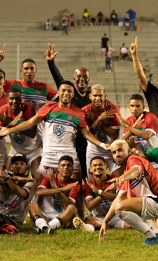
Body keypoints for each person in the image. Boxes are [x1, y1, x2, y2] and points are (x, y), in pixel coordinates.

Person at [0, 81, 107, 178]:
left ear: (73, 94)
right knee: (40, 182)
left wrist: (102, 144)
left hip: (69, 153)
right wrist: (9, 130)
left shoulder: (78, 113)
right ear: (58, 92)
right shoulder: (48, 108)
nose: (66, 93)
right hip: (50, 154)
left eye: (69, 91)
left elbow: (87, 133)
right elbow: (30, 123)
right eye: (63, 90)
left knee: (77, 184)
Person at [99, 140, 158, 246]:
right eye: (114, 152)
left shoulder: (133, 159)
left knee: (121, 209)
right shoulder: (126, 172)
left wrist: (120, 178)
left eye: (120, 150)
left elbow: (136, 170)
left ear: (129, 150)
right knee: (123, 207)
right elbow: (118, 199)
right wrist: (105, 222)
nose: (117, 154)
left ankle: (151, 236)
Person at [44, 44, 93, 175]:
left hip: (88, 140)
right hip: (72, 141)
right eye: (79, 76)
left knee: (88, 173)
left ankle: (87, 194)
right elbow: (58, 79)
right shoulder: (70, 94)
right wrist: (51, 62)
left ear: (89, 79)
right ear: (74, 78)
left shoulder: (93, 96)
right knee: (71, 173)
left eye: (84, 77)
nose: (81, 79)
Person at [0, 45, 57, 111]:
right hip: (18, 123)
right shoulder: (13, 84)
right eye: (26, 69)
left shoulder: (44, 87)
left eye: (32, 68)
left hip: (38, 124)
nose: (29, 71)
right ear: (21, 71)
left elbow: (62, 99)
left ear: (36, 70)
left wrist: (51, 63)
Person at [0, 88, 41, 179]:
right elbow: (0, 135)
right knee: (6, 178)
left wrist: (10, 121)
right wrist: (4, 125)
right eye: (11, 99)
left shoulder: (29, 108)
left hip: (33, 151)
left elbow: (32, 133)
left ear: (21, 99)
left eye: (17, 98)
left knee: (38, 178)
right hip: (16, 150)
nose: (14, 101)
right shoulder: (3, 110)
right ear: (7, 99)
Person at [29, 155, 81, 233]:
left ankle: (45, 228)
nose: (66, 167)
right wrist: (61, 189)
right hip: (45, 216)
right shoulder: (50, 177)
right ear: (58, 168)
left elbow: (70, 204)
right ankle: (44, 226)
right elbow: (39, 192)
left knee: (72, 208)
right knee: (32, 205)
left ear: (72, 169)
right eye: (63, 165)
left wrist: (56, 189)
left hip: (62, 218)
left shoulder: (74, 184)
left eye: (69, 165)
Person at [75, 156, 122, 231]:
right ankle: (102, 225)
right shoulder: (88, 185)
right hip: (99, 217)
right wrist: (104, 193)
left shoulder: (114, 180)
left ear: (106, 167)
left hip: (117, 216)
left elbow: (121, 198)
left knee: (130, 223)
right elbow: (90, 206)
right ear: (90, 170)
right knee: (88, 220)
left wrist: (99, 192)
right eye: (95, 165)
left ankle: (102, 225)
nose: (98, 167)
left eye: (100, 165)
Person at [81, 84, 121, 172]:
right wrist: (99, 119)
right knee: (93, 181)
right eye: (95, 95)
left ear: (105, 96)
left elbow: (114, 134)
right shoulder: (84, 111)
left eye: (100, 95)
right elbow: (89, 133)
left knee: (118, 179)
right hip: (93, 151)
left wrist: (97, 120)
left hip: (111, 150)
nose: (98, 98)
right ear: (90, 96)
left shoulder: (113, 109)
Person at [0, 154, 36, 234]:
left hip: (13, 219)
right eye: (16, 163)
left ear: (27, 167)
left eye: (21, 164)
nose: (18, 166)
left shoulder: (31, 182)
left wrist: (8, 179)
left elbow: (21, 193)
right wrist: (14, 178)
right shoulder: (6, 175)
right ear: (11, 166)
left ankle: (6, 227)